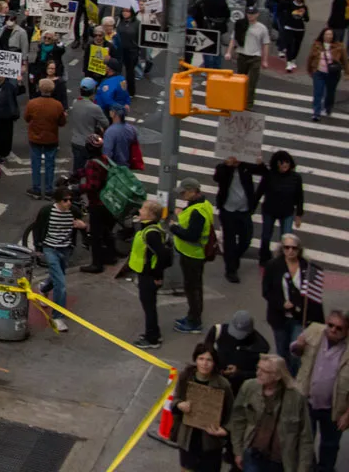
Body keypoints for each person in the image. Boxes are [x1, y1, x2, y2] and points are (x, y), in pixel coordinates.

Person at [228, 354, 314, 472]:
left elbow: (305, 437)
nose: (258, 373)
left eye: (265, 371)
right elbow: (238, 420)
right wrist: (238, 451)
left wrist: (303, 468)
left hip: (281, 460)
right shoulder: (249, 387)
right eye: (258, 368)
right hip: (253, 454)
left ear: (277, 376)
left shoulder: (295, 398)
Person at [290, 311, 349, 471]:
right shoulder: (315, 330)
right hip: (307, 401)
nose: (333, 330)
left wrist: (347, 414)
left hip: (334, 408)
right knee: (304, 441)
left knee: (329, 445)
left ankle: (325, 469)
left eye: (339, 328)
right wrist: (298, 346)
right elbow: (295, 350)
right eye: (330, 325)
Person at [28, 183, 84, 333]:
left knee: (56, 276)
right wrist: (38, 247)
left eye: (70, 200)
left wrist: (82, 226)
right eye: (65, 200)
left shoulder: (74, 211)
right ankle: (58, 317)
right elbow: (38, 228)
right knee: (61, 283)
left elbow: (84, 223)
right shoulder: (47, 211)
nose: (69, 203)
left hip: (66, 249)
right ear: (58, 201)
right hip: (50, 248)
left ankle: (43, 288)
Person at [171, 344, 233, 472]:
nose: (205, 363)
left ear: (214, 362)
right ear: (196, 359)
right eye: (201, 359)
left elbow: (232, 413)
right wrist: (179, 405)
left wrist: (225, 430)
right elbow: (175, 400)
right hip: (188, 439)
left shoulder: (223, 384)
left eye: (209, 360)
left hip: (210, 443)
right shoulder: (185, 377)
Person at [263, 236, 325, 361]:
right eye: (287, 247)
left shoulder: (307, 267)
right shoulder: (273, 266)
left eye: (294, 248)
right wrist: (281, 304)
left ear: (299, 250)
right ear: (282, 249)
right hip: (279, 317)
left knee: (295, 351)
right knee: (281, 350)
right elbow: (266, 291)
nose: (290, 251)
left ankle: (293, 377)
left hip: (299, 317)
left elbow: (313, 295)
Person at [171, 178, 215, 334]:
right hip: (193, 254)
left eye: (184, 192)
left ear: (192, 191)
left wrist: (174, 227)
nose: (182, 195)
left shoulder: (197, 212)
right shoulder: (202, 205)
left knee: (193, 289)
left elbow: (191, 235)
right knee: (194, 288)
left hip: (192, 255)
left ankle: (194, 321)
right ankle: (192, 317)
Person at [214, 153, 261, 283]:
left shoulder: (246, 167)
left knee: (246, 238)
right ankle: (231, 270)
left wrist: (259, 162)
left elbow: (263, 172)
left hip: (244, 210)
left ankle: (233, 258)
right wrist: (227, 165)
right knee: (229, 241)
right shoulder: (223, 168)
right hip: (228, 210)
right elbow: (217, 178)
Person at [128, 199, 169, 348]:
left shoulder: (151, 233)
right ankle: (154, 333)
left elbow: (162, 255)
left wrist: (157, 276)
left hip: (149, 276)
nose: (140, 211)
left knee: (149, 306)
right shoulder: (149, 228)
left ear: (151, 215)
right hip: (146, 274)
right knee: (149, 305)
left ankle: (152, 339)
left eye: (143, 209)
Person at [256, 152, 305, 264]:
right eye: (281, 162)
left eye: (286, 162)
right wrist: (251, 208)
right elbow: (259, 192)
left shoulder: (296, 178)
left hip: (287, 212)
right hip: (269, 210)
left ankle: (284, 259)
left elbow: (299, 197)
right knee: (266, 236)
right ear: (276, 163)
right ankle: (264, 257)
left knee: (287, 238)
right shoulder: (269, 175)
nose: (284, 165)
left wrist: (298, 215)